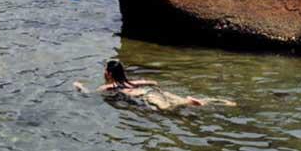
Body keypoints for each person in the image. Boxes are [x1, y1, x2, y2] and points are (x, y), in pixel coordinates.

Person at [73, 59, 235, 111]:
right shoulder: (132, 82)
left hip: (144, 96)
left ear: (108, 74)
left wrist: (79, 86)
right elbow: (151, 82)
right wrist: (153, 82)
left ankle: (187, 101)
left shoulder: (108, 87)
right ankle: (222, 101)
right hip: (148, 90)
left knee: (166, 108)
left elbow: (89, 94)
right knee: (178, 100)